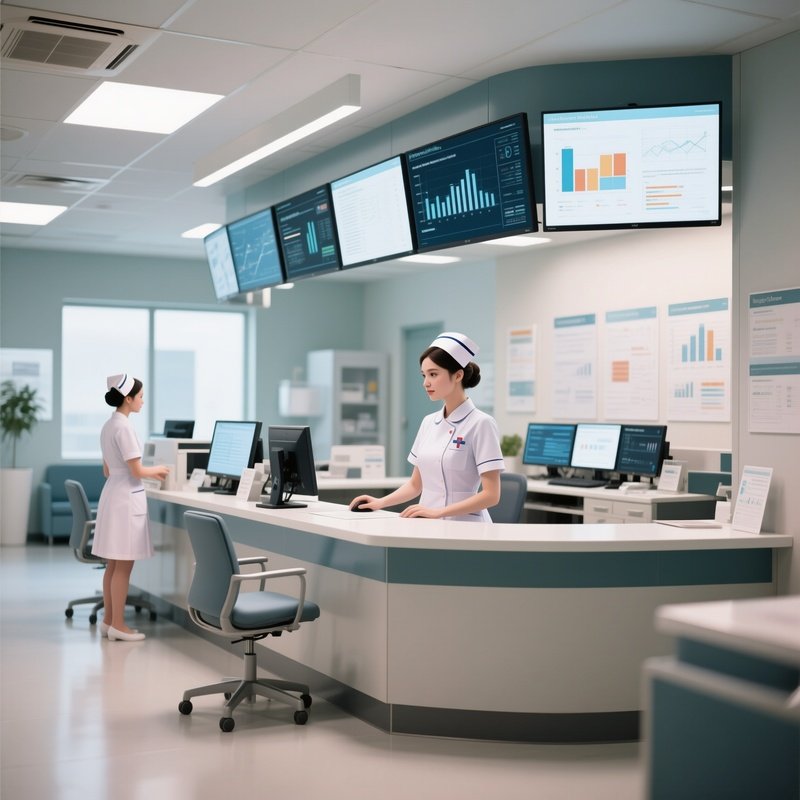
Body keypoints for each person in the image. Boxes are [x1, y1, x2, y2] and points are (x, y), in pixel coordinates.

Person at [350, 332, 504, 521]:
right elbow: (416, 484)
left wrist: (439, 512)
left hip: (466, 527)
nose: (426, 383)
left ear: (458, 375)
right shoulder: (428, 423)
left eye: (433, 374)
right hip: (426, 524)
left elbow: (491, 495)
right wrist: (379, 502)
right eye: (424, 375)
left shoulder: (481, 423)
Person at [91, 374, 169, 641]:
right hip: (125, 500)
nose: (143, 401)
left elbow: (106, 468)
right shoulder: (124, 427)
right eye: (141, 396)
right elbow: (136, 469)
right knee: (123, 566)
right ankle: (120, 626)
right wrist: (158, 470)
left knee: (113, 565)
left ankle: (109, 622)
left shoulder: (108, 425)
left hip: (113, 493)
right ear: (128, 398)